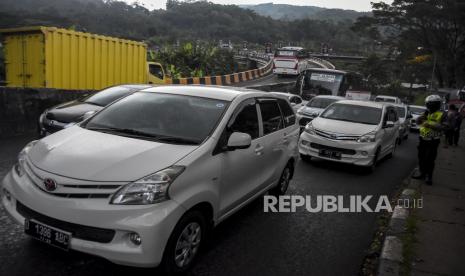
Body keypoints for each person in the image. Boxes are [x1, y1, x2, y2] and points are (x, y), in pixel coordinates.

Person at [412, 95, 448, 185]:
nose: (428, 106)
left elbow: (445, 127)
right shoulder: (426, 112)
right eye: (427, 104)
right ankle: (422, 173)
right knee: (421, 157)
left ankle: (429, 176)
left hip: (433, 140)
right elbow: (418, 122)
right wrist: (419, 119)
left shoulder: (442, 114)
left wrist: (431, 125)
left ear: (435, 104)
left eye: (430, 104)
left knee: (430, 159)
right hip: (423, 138)